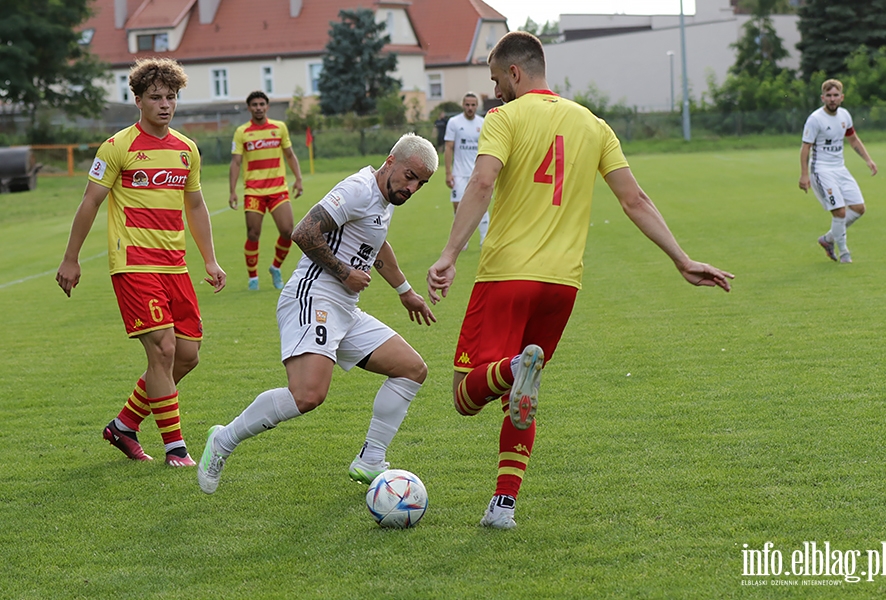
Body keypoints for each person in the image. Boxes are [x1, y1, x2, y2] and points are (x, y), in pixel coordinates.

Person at [426, 31, 733, 529]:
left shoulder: (504, 117)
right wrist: (680, 257)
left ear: (515, 73)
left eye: (496, 80)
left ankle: (509, 370)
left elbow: (481, 181)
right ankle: (503, 506)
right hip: (563, 285)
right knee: (519, 399)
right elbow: (635, 200)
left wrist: (449, 253)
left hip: (506, 275)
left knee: (466, 396)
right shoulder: (594, 124)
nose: (495, 91)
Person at [197, 133, 438, 494]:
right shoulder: (358, 189)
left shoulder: (384, 201)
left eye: (421, 183)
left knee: (412, 369)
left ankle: (371, 460)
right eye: (409, 176)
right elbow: (304, 231)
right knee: (307, 395)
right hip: (313, 296)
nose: (413, 187)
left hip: (343, 307)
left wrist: (407, 293)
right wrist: (344, 272)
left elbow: (377, 245)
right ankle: (222, 440)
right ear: (390, 161)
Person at [56, 57, 227, 467]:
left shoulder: (187, 150)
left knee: (187, 355)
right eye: (155, 97)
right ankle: (176, 449)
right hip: (133, 264)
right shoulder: (117, 147)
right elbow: (90, 202)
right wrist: (71, 259)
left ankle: (124, 425)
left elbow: (197, 205)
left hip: (175, 265)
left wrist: (211, 260)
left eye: (171, 97)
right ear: (138, 100)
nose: (165, 104)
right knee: (164, 350)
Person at [230, 91, 304, 290]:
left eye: (262, 104)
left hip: (278, 189)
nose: (258, 107)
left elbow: (290, 155)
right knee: (253, 234)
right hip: (254, 191)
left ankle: (275, 267)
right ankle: (253, 278)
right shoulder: (242, 132)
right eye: (254, 104)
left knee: (288, 231)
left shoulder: (279, 128)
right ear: (249, 108)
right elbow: (236, 162)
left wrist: (298, 178)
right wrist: (232, 191)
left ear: (267, 106)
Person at [799, 79, 877, 264]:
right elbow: (805, 148)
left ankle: (828, 240)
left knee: (858, 209)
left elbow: (853, 139)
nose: (832, 99)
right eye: (829, 96)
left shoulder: (844, 116)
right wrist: (804, 175)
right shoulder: (815, 119)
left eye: (835, 95)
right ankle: (844, 254)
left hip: (840, 169)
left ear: (841, 97)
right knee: (840, 212)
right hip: (821, 170)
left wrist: (868, 160)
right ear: (822, 98)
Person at [445, 93, 490, 249]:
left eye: (473, 105)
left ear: (477, 106)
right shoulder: (454, 122)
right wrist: (448, 173)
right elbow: (449, 147)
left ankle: (485, 238)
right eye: (467, 105)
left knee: (481, 204)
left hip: (477, 172)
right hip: (459, 173)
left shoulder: (483, 123)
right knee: (458, 206)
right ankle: (461, 240)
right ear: (463, 105)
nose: (470, 108)